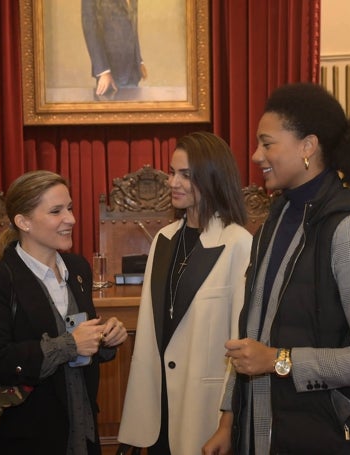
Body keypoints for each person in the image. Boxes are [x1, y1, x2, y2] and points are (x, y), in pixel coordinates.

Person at [207, 82, 350, 455]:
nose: (254, 155)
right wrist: (229, 421)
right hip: (269, 431)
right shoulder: (275, 218)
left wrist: (279, 360)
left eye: (267, 143)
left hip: (331, 437)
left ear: (307, 147)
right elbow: (254, 335)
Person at [0, 170, 128, 454]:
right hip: (29, 438)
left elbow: (80, 338)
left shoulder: (78, 269)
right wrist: (69, 344)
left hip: (83, 431)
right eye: (56, 211)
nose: (71, 219)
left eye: (70, 207)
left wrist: (105, 339)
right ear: (23, 221)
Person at [117, 131, 253, 454]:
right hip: (156, 406)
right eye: (171, 171)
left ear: (213, 178)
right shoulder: (163, 240)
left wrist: (228, 421)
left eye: (185, 175)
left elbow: (240, 342)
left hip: (203, 408)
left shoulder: (239, 244)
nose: (172, 182)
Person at [81, 0, 147, 96]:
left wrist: (139, 60)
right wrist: (103, 71)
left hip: (132, 70)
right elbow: (90, 29)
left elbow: (131, 24)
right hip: (110, 72)